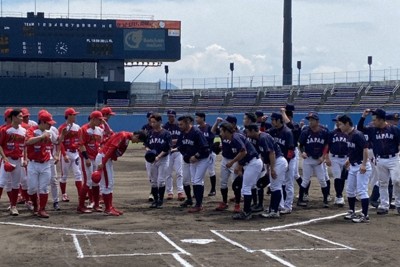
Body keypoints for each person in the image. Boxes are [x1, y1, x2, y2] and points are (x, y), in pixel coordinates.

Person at [357, 108, 400, 215]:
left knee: (397, 181)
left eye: (375, 119)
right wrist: (363, 116)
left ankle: (399, 204)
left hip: (393, 158)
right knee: (383, 183)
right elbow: (360, 128)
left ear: (381, 120)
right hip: (380, 159)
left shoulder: (393, 129)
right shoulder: (373, 130)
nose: (373, 121)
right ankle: (384, 205)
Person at [217, 122, 263, 220]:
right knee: (241, 186)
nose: (220, 133)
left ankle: (247, 212)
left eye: (221, 131)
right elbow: (242, 153)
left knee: (246, 188)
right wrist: (239, 165)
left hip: (253, 163)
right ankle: (248, 210)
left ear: (226, 131)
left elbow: (243, 151)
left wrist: (233, 162)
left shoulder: (235, 138)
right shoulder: (234, 137)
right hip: (249, 163)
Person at [95, 131, 147, 216]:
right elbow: (111, 148)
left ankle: (110, 207)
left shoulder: (126, 138)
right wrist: (103, 162)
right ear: (136, 136)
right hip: (104, 158)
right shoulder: (123, 135)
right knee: (107, 184)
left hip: (106, 159)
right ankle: (108, 208)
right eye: (138, 140)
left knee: (110, 183)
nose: (137, 142)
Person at [337, 115, 372, 223]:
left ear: (347, 124)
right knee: (350, 191)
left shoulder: (357, 134)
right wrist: (349, 159)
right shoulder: (349, 135)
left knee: (362, 191)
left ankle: (365, 215)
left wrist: (364, 164)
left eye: (341, 124)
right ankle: (352, 211)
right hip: (353, 165)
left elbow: (365, 149)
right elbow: (353, 149)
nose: (339, 127)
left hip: (361, 166)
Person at [25, 110, 58, 218]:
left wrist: (62, 135)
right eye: (49, 123)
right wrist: (41, 137)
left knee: (44, 188)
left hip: (46, 163)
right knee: (31, 188)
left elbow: (57, 141)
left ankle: (42, 209)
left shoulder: (51, 132)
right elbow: (28, 141)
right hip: (33, 163)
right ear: (43, 122)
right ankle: (35, 205)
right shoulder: (32, 130)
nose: (50, 125)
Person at [176, 115, 210, 213]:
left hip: (203, 158)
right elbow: (180, 146)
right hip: (192, 160)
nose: (180, 126)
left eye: (181, 124)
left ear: (187, 123)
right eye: (179, 124)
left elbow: (205, 147)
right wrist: (186, 156)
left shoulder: (196, 132)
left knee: (197, 180)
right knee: (194, 181)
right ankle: (196, 203)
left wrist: (196, 156)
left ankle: (199, 205)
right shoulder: (182, 133)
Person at [297, 112, 330, 208]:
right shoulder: (306, 132)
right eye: (309, 120)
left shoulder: (324, 131)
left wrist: (323, 157)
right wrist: (302, 152)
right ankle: (300, 200)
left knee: (322, 180)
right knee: (305, 180)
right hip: (308, 159)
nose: (310, 122)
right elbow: (300, 144)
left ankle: (325, 200)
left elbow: (327, 145)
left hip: (319, 160)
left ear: (317, 121)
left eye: (312, 120)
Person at [211, 115, 241, 213]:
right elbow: (213, 131)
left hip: (235, 160)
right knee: (223, 182)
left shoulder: (237, 135)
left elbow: (242, 151)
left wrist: (238, 165)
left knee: (235, 183)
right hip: (225, 159)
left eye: (228, 122)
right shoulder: (223, 133)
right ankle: (224, 202)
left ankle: (237, 204)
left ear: (233, 124)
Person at [0, 109, 27, 216]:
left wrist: (25, 158)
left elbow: (24, 146)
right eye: (20, 116)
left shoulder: (24, 131)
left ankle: (13, 206)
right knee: (2, 182)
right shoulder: (5, 130)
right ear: (14, 117)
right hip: (8, 159)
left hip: (18, 159)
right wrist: (5, 158)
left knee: (16, 184)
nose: (22, 118)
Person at [77, 111, 105, 214]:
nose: (101, 122)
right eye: (99, 119)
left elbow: (103, 141)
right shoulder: (83, 129)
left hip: (96, 158)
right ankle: (81, 206)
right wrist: (86, 158)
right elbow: (81, 145)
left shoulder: (99, 130)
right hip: (87, 158)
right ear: (93, 119)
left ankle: (96, 204)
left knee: (96, 180)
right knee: (88, 181)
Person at [269, 112, 295, 214]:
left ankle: (288, 206)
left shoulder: (287, 132)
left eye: (273, 120)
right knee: (278, 183)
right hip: (277, 160)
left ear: (279, 120)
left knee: (288, 183)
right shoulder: (271, 131)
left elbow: (291, 149)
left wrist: (288, 163)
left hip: (288, 159)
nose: (271, 122)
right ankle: (279, 205)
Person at [144, 113, 172, 209]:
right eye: (151, 122)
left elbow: (167, 148)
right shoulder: (150, 133)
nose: (152, 124)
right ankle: (155, 200)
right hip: (152, 160)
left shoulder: (166, 133)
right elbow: (146, 145)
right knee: (154, 181)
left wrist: (158, 157)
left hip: (163, 159)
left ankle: (160, 200)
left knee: (161, 180)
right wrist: (149, 152)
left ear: (160, 122)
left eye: (154, 122)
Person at [58, 107, 82, 202]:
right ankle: (64, 194)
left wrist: (78, 149)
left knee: (78, 174)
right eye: (73, 115)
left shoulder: (77, 127)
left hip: (75, 153)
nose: (75, 116)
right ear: (68, 116)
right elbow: (60, 142)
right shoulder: (62, 128)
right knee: (64, 175)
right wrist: (64, 154)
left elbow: (80, 140)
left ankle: (81, 194)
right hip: (67, 152)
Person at [325, 115, 348, 207]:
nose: (337, 123)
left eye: (339, 121)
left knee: (343, 178)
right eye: (336, 121)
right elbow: (327, 146)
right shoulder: (332, 133)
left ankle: (340, 195)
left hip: (346, 157)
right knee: (337, 177)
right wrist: (327, 158)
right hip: (334, 158)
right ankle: (339, 196)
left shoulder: (348, 133)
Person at [163, 109, 185, 201]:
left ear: (175, 116)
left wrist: (172, 141)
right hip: (168, 152)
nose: (170, 118)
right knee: (168, 173)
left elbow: (182, 138)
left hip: (178, 152)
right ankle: (170, 192)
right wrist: (173, 141)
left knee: (179, 172)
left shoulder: (179, 126)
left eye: (171, 116)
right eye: (169, 116)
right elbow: (164, 139)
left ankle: (180, 191)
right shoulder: (165, 126)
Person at [195, 112, 217, 197]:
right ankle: (199, 190)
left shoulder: (209, 127)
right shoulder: (197, 129)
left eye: (197, 117)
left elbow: (213, 138)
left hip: (210, 153)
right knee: (200, 172)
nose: (196, 119)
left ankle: (213, 189)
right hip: (200, 154)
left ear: (202, 118)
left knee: (211, 171)